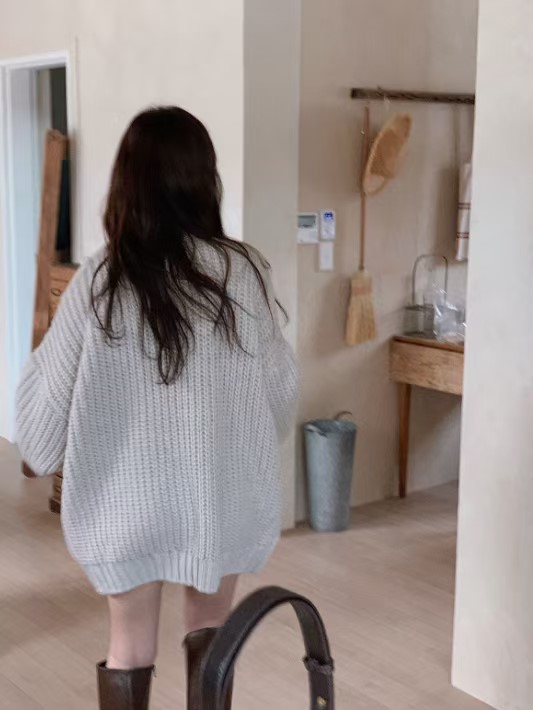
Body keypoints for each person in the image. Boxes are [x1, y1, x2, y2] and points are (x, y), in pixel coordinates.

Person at [16, 106, 298, 709]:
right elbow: (277, 404)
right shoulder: (244, 273)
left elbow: (36, 435)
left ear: (126, 181)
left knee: (129, 649)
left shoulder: (100, 279)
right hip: (218, 497)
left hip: (123, 509)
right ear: (205, 179)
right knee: (213, 640)